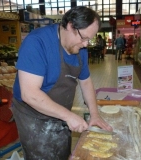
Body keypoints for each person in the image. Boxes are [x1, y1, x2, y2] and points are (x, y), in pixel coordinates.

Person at [11, 6, 113, 160]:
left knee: (61, 152)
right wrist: (68, 116)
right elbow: (29, 94)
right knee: (42, 155)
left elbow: (85, 82)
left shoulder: (80, 48)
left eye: (89, 39)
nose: (86, 44)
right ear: (70, 26)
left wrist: (95, 114)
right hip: (33, 115)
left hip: (61, 112)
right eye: (84, 38)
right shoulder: (37, 42)